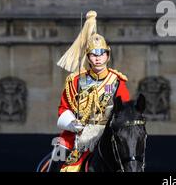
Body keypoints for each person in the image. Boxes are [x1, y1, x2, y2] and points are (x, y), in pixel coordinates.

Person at [48, 11, 130, 172]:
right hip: (77, 134)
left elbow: (125, 112)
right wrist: (73, 124)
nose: (98, 58)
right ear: (88, 57)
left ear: (107, 55)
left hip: (107, 134)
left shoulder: (117, 81)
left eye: (102, 54)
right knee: (58, 162)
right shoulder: (76, 81)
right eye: (93, 54)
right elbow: (64, 108)